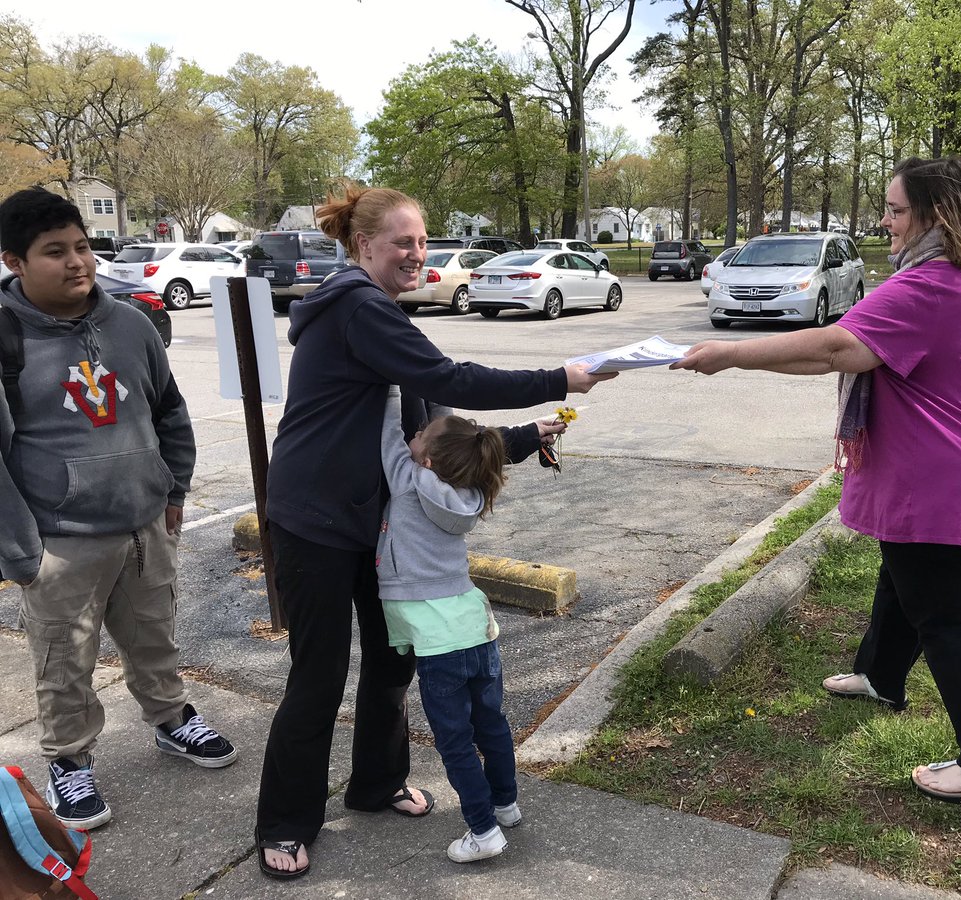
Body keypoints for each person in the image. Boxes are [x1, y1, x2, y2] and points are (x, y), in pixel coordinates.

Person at [671, 156, 961, 808]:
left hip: (949, 481)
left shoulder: (930, 286)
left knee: (951, 618)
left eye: (896, 209)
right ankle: (881, 677)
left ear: (935, 216)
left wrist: (730, 353)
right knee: (901, 575)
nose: (884, 220)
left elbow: (835, 348)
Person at [255, 185, 614, 879]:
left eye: (422, 241)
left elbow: (434, 427)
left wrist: (511, 440)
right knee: (320, 674)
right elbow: (449, 377)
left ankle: (375, 784)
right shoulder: (358, 306)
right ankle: (285, 821)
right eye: (402, 242)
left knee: (393, 662)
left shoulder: (378, 309)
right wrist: (560, 377)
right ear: (364, 247)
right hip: (317, 520)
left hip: (374, 519)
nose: (417, 254)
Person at [0, 188, 236, 831]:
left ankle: (170, 718)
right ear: (14, 261)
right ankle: (70, 759)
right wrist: (21, 547)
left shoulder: (130, 323)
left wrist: (174, 491)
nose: (77, 262)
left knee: (153, 631)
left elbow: (169, 410)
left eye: (81, 247)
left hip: (142, 523)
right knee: (63, 659)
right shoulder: (5, 336)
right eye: (55, 252)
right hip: (59, 539)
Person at [377, 406, 522, 863]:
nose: (413, 434)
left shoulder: (406, 478)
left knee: (455, 742)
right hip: (477, 627)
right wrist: (440, 406)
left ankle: (483, 832)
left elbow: (386, 431)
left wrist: (391, 385)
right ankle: (506, 804)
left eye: (420, 434)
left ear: (428, 461)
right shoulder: (471, 489)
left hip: (440, 643)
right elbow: (443, 434)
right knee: (491, 724)